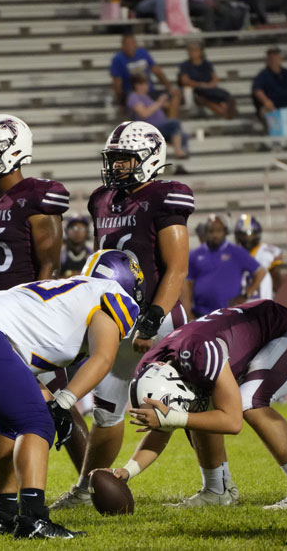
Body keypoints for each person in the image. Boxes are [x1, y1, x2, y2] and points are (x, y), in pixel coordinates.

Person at [0, 249, 143, 538]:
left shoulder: (71, 294)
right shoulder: (111, 293)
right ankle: (33, 520)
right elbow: (103, 358)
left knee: (12, 423)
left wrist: (53, 401)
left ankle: (4, 516)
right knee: (37, 422)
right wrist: (64, 403)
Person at [51, 120, 194, 509]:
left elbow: (176, 267)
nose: (116, 168)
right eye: (113, 160)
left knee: (194, 400)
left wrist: (152, 317)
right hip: (115, 316)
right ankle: (84, 490)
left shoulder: (166, 196)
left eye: (126, 160)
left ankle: (219, 485)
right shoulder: (102, 199)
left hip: (156, 316)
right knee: (106, 410)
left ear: (149, 159)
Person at [0, 113, 75, 511]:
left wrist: (40, 316)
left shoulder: (38, 195)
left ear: (15, 151)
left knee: (57, 400)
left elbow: (48, 266)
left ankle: (89, 479)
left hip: (26, 315)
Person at [110, 299, 287, 509]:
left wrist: (173, 416)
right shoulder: (150, 368)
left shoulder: (199, 353)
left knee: (250, 402)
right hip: (240, 336)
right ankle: (217, 491)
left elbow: (233, 421)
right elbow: (163, 428)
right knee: (200, 409)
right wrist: (127, 471)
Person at [182, 215, 265, 320]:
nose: (214, 235)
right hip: (201, 313)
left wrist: (245, 295)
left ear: (225, 232)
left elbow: (260, 272)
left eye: (218, 231)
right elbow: (187, 284)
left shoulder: (236, 252)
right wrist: (187, 311)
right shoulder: (195, 255)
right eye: (211, 231)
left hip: (229, 314)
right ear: (206, 233)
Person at [110, 34, 181, 119]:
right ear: (122, 46)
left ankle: (170, 123)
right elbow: (117, 83)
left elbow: (157, 71)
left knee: (174, 95)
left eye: (132, 43)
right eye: (127, 44)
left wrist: (169, 87)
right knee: (140, 107)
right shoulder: (118, 59)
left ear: (135, 44)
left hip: (149, 91)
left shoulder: (143, 53)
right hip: (133, 94)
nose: (130, 46)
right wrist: (120, 101)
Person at [127, 74, 189, 159]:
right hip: (149, 128)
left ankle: (180, 159)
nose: (147, 86)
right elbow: (144, 113)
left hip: (160, 126)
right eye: (145, 84)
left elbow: (167, 106)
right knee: (174, 124)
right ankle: (178, 151)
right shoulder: (134, 97)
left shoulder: (146, 97)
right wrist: (159, 102)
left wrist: (174, 96)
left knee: (183, 135)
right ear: (137, 85)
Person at [178, 41, 237, 120]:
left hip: (209, 89)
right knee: (204, 98)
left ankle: (226, 112)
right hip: (196, 91)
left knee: (224, 96)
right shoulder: (185, 65)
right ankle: (225, 113)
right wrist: (201, 85)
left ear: (201, 51)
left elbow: (215, 79)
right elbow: (185, 81)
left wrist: (208, 86)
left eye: (195, 50)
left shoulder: (207, 64)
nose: (193, 52)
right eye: (191, 50)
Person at [234, 213, 284, 300]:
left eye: (251, 235)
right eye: (244, 235)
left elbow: (276, 276)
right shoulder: (233, 252)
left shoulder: (268, 251)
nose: (248, 239)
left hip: (261, 302)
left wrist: (271, 292)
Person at [181, 0, 246, 33]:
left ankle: (223, 34)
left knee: (225, 10)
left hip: (210, 2)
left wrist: (215, 0)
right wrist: (206, 1)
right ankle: (210, 36)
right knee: (208, 9)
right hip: (193, 3)